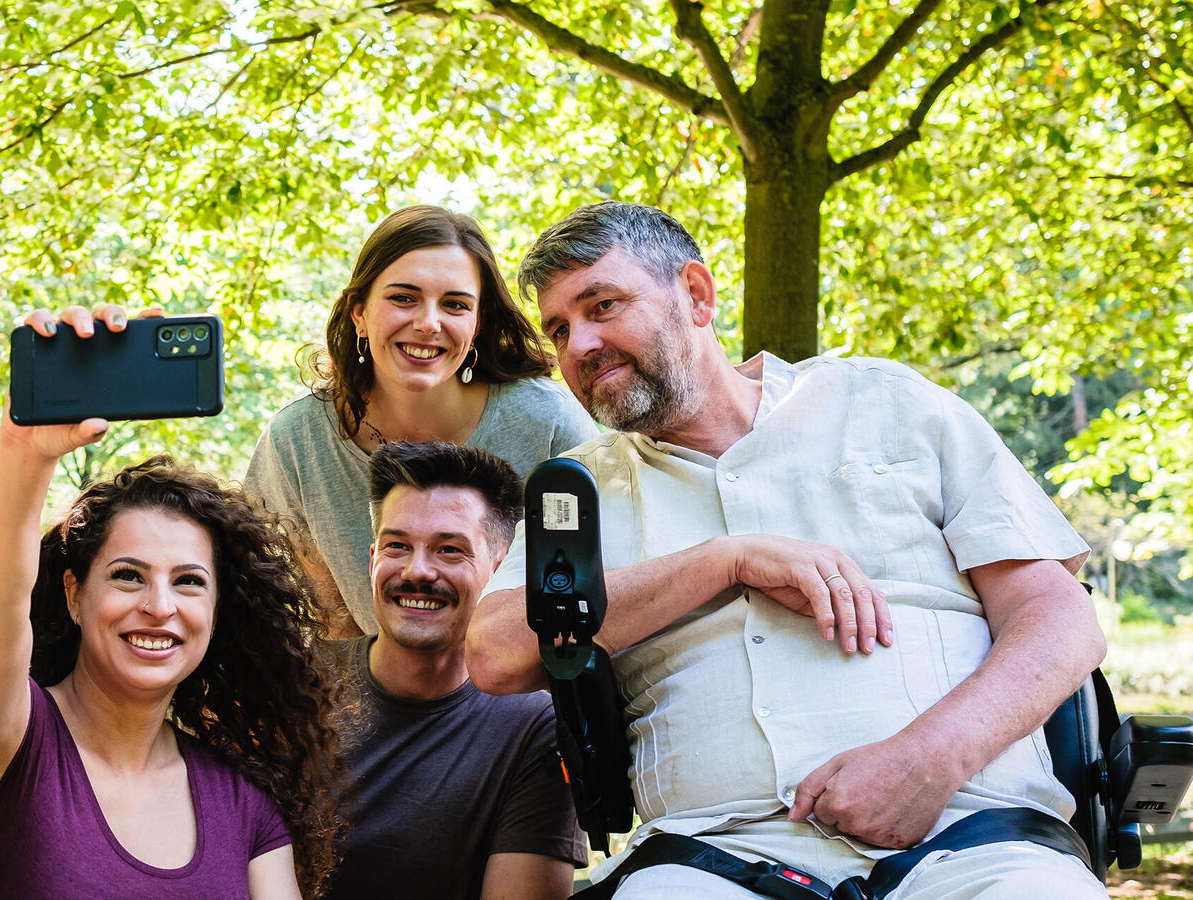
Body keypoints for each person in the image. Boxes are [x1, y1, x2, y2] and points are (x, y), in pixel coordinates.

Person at [466, 201, 1108, 898]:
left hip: (973, 835)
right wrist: (722, 561)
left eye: (604, 306)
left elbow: (1060, 618)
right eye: (559, 330)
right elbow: (495, 653)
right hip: (708, 858)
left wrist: (931, 758)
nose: (579, 346)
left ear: (697, 294)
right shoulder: (580, 490)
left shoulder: (889, 402)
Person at [0, 307, 345, 899]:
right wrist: (27, 447)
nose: (159, 605)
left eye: (189, 582)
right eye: (128, 576)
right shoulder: (9, 740)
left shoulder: (246, 806)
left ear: (219, 609)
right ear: (74, 594)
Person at [244, 205, 596, 639]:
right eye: (403, 298)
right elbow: (313, 625)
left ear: (477, 323)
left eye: (454, 305)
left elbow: (601, 582)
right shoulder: (298, 443)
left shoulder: (548, 423)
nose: (428, 323)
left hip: (531, 692)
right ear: (359, 314)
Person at [324, 440, 585, 900]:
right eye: (397, 546)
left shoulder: (536, 731)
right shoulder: (293, 684)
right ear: (372, 561)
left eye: (448, 550)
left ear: (504, 572)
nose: (417, 571)